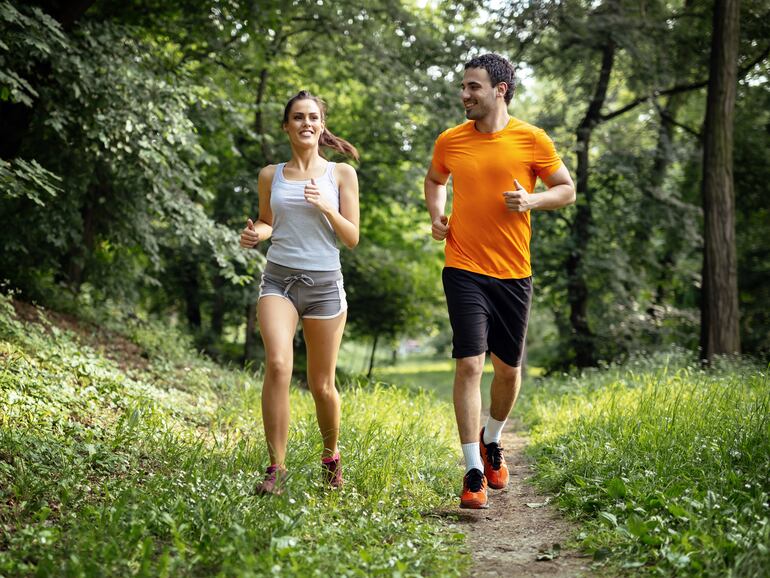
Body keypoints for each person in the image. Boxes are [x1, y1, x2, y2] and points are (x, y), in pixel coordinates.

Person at [424, 53, 575, 509]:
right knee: (469, 364)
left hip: (513, 273)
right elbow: (435, 179)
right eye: (464, 86)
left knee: (508, 371)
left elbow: (566, 189)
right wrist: (437, 214)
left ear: (500, 90)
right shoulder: (451, 140)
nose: (465, 95)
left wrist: (531, 200)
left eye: (473, 87)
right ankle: (472, 469)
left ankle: (492, 439)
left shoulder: (532, 139)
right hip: (464, 267)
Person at [240, 90, 360, 494]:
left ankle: (331, 456)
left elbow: (353, 238)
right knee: (277, 364)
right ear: (286, 126)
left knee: (322, 384)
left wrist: (328, 207)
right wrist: (256, 232)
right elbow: (268, 221)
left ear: (321, 125)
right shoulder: (270, 175)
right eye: (297, 118)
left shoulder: (340, 174)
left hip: (325, 286)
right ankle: (277, 468)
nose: (305, 123)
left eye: (312, 117)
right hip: (279, 280)